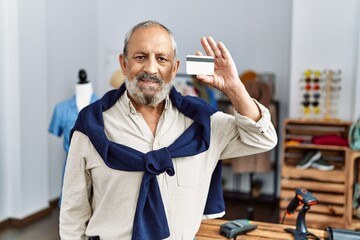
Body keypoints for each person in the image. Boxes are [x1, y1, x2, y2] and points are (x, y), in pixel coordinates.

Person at [59, 20, 277, 240]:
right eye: (140, 57)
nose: (151, 68)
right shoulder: (91, 125)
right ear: (123, 64)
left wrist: (234, 88)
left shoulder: (204, 124)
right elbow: (73, 212)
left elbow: (263, 139)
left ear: (174, 69)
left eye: (161, 59)